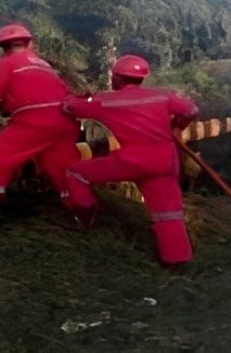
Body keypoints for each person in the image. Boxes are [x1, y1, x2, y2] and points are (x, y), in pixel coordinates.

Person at [61, 55, 200, 267]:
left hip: (130, 161)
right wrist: (177, 127)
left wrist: (73, 98)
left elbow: (71, 109)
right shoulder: (162, 97)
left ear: (117, 78)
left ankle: (85, 213)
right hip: (164, 162)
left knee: (76, 173)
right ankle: (177, 260)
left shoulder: (107, 101)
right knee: (169, 213)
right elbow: (190, 110)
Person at [0, 23, 82, 216]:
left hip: (36, 120)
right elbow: (59, 91)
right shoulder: (43, 65)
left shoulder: (9, 62)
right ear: (29, 43)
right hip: (65, 120)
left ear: (4, 48)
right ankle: (81, 208)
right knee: (64, 167)